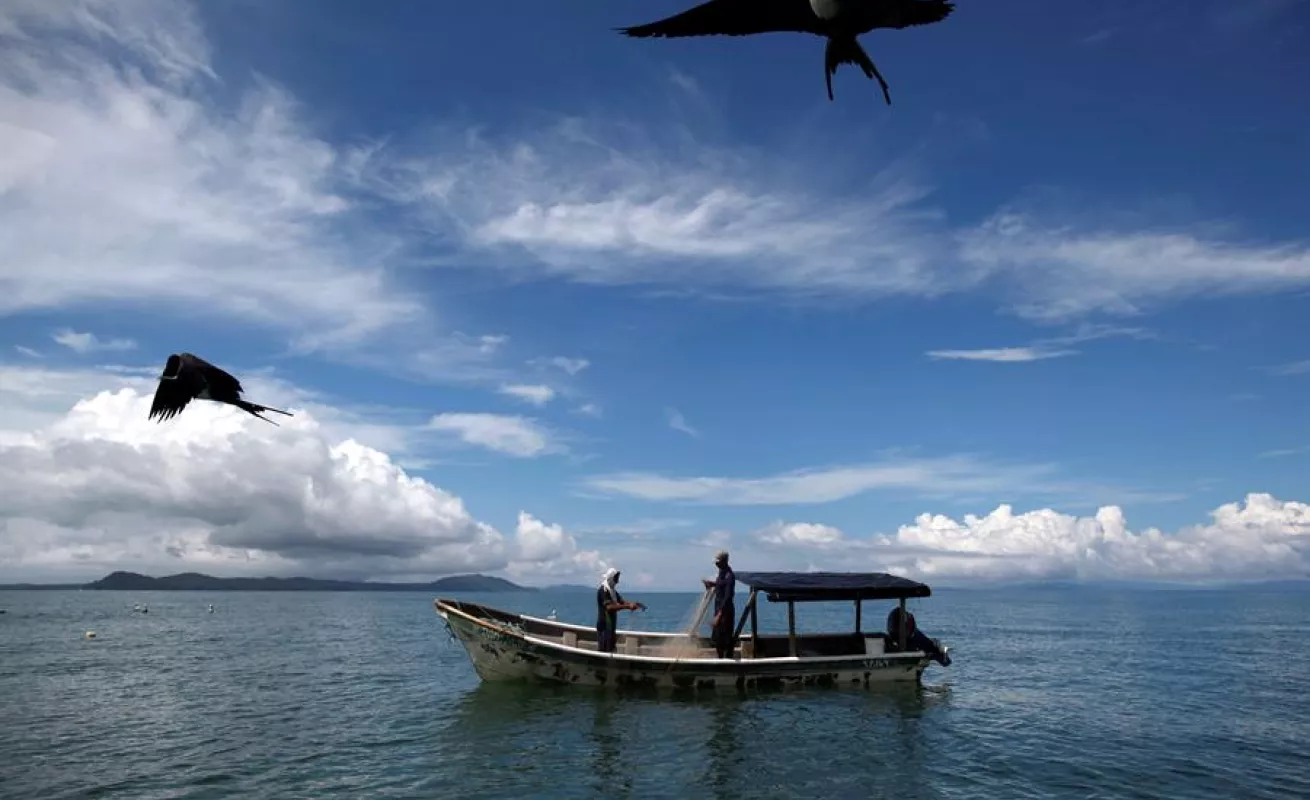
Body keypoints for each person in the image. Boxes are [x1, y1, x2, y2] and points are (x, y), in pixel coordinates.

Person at [596, 567, 644, 653]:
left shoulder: (612, 591)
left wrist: (634, 604)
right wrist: (627, 606)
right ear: (611, 578)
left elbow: (622, 601)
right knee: (604, 649)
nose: (618, 581)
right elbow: (609, 607)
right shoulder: (603, 590)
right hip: (604, 626)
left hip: (611, 625)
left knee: (611, 648)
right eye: (616, 578)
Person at [886, 604, 951, 666]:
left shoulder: (918, 638)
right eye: (899, 628)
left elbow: (945, 661)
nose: (902, 630)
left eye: (905, 628)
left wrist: (935, 652)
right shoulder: (889, 641)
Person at [701, 551, 736, 658]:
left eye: (718, 562)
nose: (716, 564)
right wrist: (712, 584)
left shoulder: (729, 576)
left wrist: (719, 615)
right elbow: (721, 584)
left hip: (725, 613)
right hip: (718, 609)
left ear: (724, 561)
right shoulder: (721, 573)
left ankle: (726, 661)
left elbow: (728, 596)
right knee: (717, 639)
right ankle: (720, 659)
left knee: (725, 639)